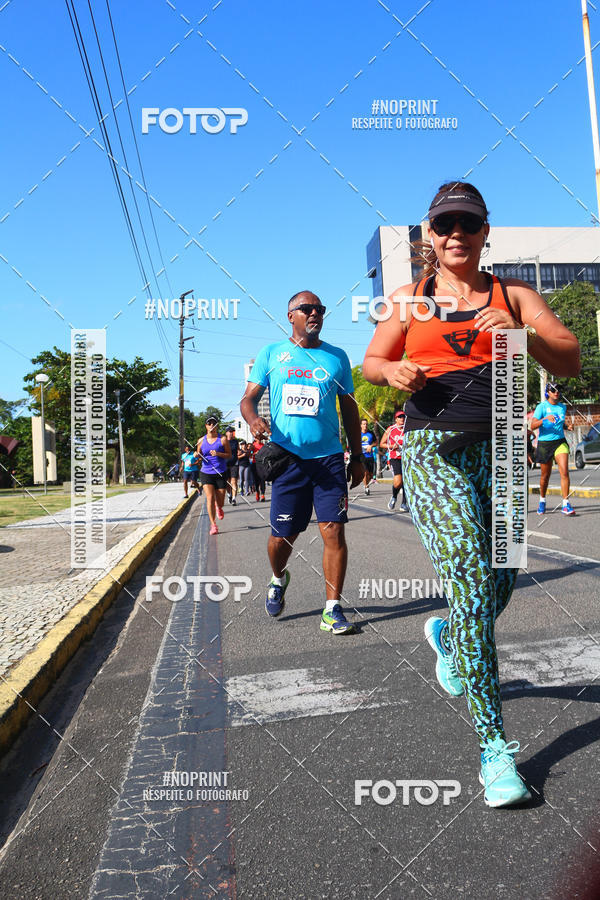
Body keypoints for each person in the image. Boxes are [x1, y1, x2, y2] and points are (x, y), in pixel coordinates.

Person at [362, 181, 580, 807]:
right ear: (428, 236)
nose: (456, 233)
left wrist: (521, 333)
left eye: (469, 223)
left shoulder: (514, 295)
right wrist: (392, 369)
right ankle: (494, 750)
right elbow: (374, 361)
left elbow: (569, 359)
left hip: (509, 443)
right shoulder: (406, 302)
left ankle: (454, 640)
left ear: (486, 233)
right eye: (444, 225)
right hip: (435, 452)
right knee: (468, 581)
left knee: (502, 578)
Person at [241, 290, 365, 634]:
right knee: (282, 537)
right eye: (307, 309)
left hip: (327, 461)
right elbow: (248, 399)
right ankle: (279, 578)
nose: (315, 314)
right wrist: (253, 420)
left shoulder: (336, 357)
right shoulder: (272, 354)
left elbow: (350, 409)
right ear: (291, 315)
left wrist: (357, 456)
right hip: (288, 460)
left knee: (334, 532)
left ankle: (332, 609)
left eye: (320, 309)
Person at [530, 383, 575, 515]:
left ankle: (566, 504)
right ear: (548, 392)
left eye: (558, 390)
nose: (556, 392)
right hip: (544, 444)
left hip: (560, 442)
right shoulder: (541, 407)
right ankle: (542, 500)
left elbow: (559, 422)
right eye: (553, 390)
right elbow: (532, 425)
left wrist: (567, 427)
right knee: (545, 476)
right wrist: (544, 419)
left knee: (564, 472)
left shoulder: (562, 407)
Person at [197, 416, 231, 535]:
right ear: (206, 426)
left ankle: (219, 507)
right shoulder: (201, 440)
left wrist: (218, 453)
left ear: (217, 425)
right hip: (206, 472)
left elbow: (229, 455)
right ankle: (213, 525)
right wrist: (197, 455)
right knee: (210, 498)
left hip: (220, 472)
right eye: (209, 423)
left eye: (214, 423)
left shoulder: (223, 439)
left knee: (220, 500)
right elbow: (199, 456)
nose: (212, 425)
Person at [380, 409, 408, 511]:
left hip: (406, 458)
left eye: (403, 417)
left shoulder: (408, 429)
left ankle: (404, 503)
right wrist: (392, 446)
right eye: (400, 417)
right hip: (395, 458)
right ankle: (394, 497)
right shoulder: (390, 429)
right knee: (398, 482)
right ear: (395, 419)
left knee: (406, 480)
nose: (402, 419)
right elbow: (381, 444)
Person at [224, 425, 240, 505]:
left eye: (232, 432)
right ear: (226, 433)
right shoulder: (223, 441)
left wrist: (239, 452)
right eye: (230, 432)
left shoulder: (235, 442)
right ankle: (229, 494)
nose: (231, 433)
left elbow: (238, 450)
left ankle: (234, 498)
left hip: (234, 463)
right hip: (225, 464)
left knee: (234, 481)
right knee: (228, 482)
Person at [360, 418, 376, 494]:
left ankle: (366, 484)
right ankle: (366, 487)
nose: (365, 425)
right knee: (365, 472)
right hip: (362, 456)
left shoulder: (371, 433)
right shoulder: (357, 434)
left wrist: (371, 446)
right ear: (361, 425)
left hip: (370, 456)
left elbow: (376, 442)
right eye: (364, 424)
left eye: (366, 424)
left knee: (370, 475)